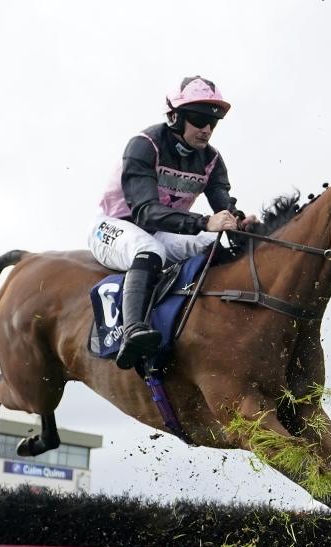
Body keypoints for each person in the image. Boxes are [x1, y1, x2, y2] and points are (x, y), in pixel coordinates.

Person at [90, 75, 257, 370]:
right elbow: (145, 212)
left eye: (213, 122)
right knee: (149, 250)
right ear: (175, 117)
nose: (206, 130)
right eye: (199, 119)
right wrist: (204, 221)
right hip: (112, 227)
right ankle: (133, 331)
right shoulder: (145, 145)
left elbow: (223, 206)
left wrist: (239, 222)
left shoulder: (212, 160)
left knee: (212, 245)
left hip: (159, 231)